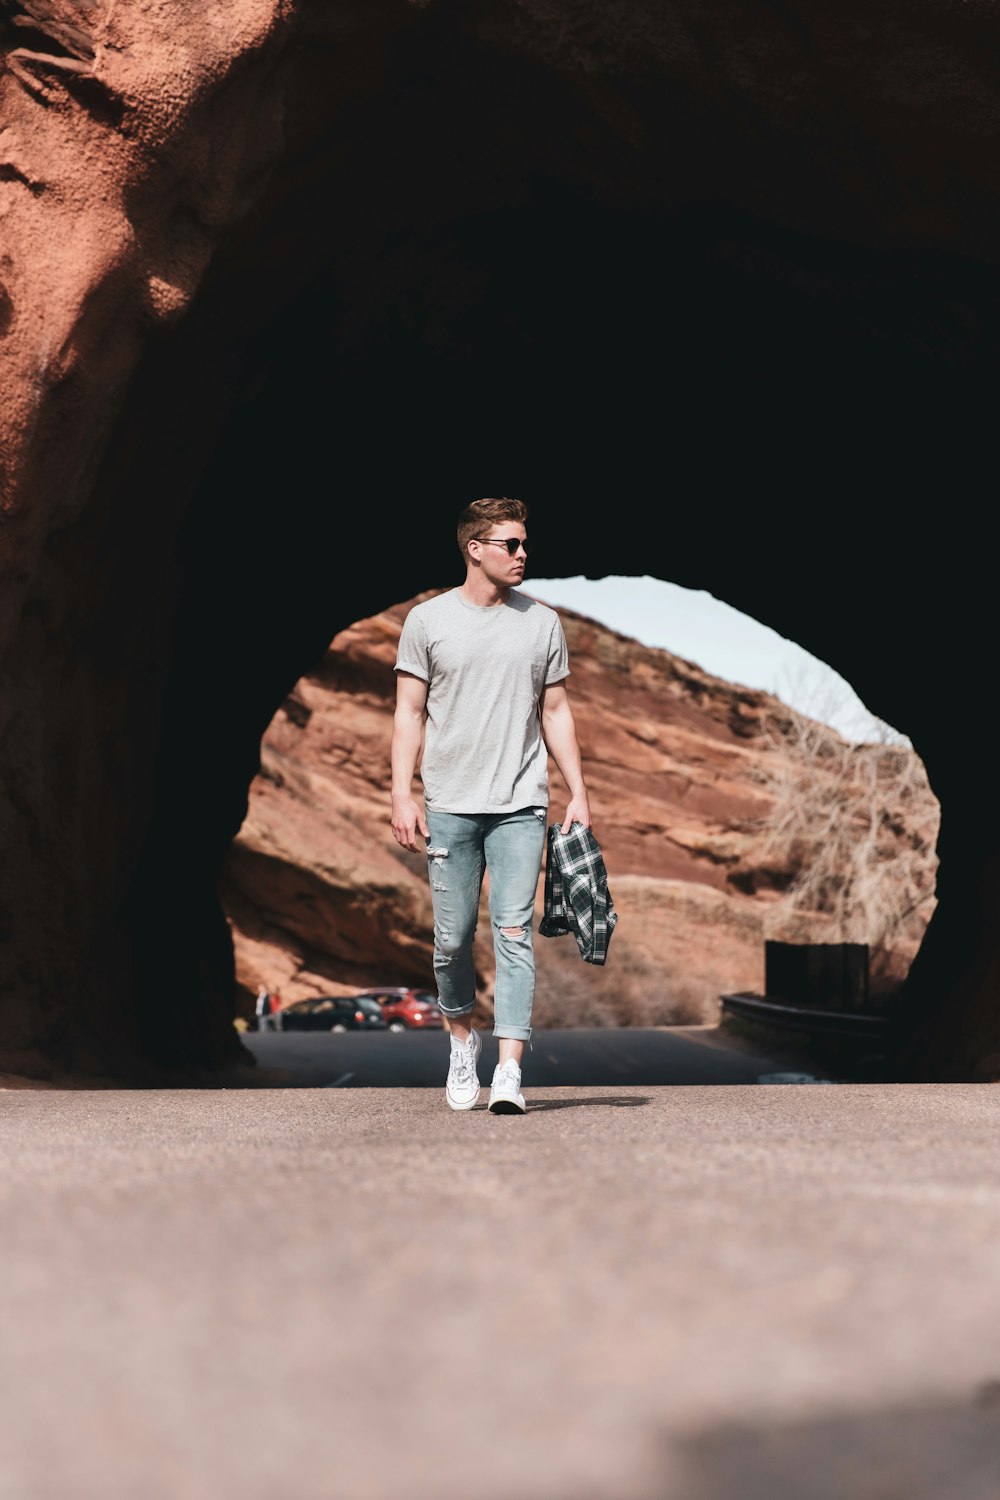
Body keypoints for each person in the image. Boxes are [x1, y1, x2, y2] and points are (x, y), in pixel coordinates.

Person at [390, 496, 592, 1113]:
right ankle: (459, 1041)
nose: (524, 554)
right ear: (475, 549)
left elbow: (555, 712)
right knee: (451, 940)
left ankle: (507, 1073)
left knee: (513, 934)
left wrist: (578, 790)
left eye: (525, 543)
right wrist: (402, 792)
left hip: (520, 804)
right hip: (449, 802)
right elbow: (408, 712)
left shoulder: (542, 623)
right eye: (512, 544)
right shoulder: (427, 622)